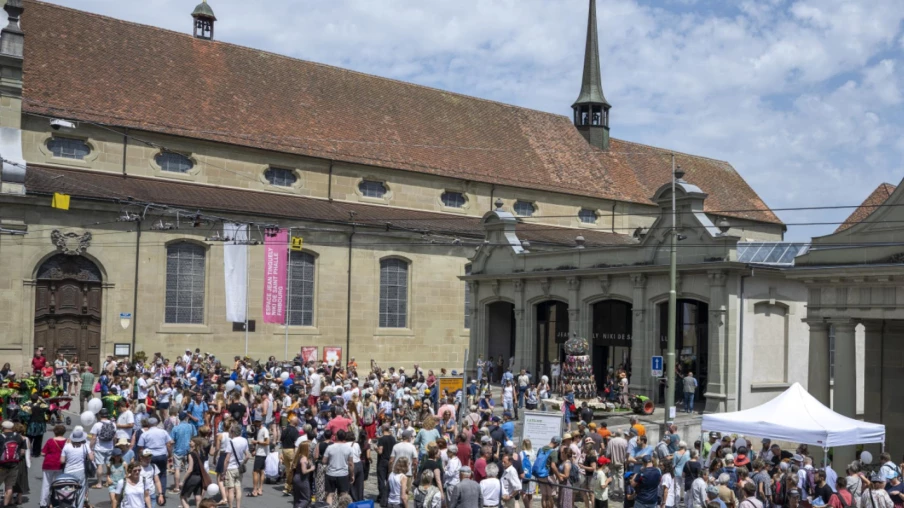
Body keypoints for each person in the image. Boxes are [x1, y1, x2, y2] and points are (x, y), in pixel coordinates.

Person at [61, 428, 94, 508]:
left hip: (68, 471)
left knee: (69, 490)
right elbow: (91, 458)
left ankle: (71, 506)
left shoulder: (67, 446)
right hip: (81, 471)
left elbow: (62, 460)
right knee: (81, 491)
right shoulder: (85, 446)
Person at [322, 429, 354, 506]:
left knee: (330, 494)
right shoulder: (349, 448)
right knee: (343, 495)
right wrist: (352, 474)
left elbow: (324, 461)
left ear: (336, 437)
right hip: (343, 474)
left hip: (331, 473)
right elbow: (350, 464)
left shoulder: (330, 447)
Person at [170, 412, 198, 495]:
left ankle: (177, 487)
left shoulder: (175, 428)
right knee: (188, 469)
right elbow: (195, 436)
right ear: (186, 418)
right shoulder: (191, 426)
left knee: (177, 469)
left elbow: (171, 440)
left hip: (178, 449)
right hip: (188, 450)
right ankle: (187, 485)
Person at [223, 424, 250, 508]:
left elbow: (227, 459)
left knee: (230, 489)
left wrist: (224, 472)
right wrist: (243, 463)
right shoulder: (244, 440)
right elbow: (247, 455)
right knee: (238, 488)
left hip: (231, 467)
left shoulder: (231, 442)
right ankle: (238, 506)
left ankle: (231, 506)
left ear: (233, 432)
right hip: (239, 467)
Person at [40, 424, 67, 507]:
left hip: (48, 464)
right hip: (60, 464)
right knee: (59, 484)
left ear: (54, 432)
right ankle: (57, 501)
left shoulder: (50, 441)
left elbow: (43, 453)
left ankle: (43, 503)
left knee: (46, 484)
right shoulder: (67, 441)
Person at [178, 438, 205, 508]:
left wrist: (182, 480)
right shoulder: (201, 452)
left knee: (183, 496)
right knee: (198, 496)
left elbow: (190, 469)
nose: (189, 442)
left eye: (191, 441)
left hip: (193, 477)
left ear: (195, 443)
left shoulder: (191, 454)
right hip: (200, 477)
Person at [376, 423, 397, 506]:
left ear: (383, 429)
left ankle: (382, 497)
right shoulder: (393, 439)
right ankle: (388, 496)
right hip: (391, 461)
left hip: (383, 461)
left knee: (381, 480)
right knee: (389, 480)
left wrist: (375, 448)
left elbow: (380, 451)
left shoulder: (382, 439)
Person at [250, 416, 269, 497]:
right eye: (255, 422)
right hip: (260, 453)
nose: (256, 423)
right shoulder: (260, 430)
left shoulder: (264, 430)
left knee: (255, 472)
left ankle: (255, 489)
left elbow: (267, 442)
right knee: (261, 471)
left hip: (261, 454)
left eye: (257, 422)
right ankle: (260, 489)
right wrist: (255, 450)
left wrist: (256, 442)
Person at [291, 441, 314, 508]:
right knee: (306, 499)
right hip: (302, 479)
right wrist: (311, 469)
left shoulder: (298, 456)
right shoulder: (304, 459)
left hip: (296, 478)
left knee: (297, 499)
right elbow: (304, 471)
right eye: (309, 447)